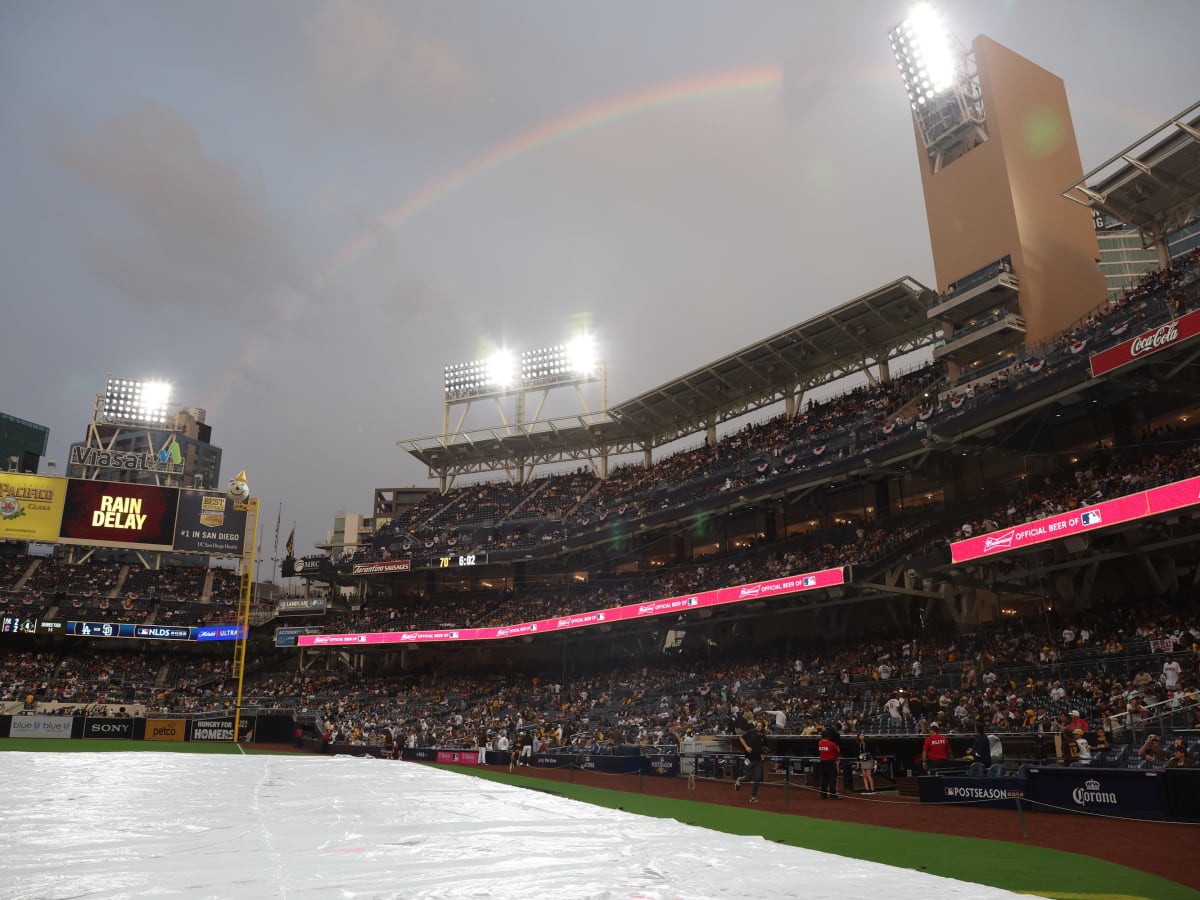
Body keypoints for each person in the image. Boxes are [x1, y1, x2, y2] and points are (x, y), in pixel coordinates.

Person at [734, 719, 766, 803]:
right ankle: (740, 780)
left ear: (763, 727)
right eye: (757, 725)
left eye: (760, 726)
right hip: (749, 759)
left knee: (758, 778)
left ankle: (753, 797)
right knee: (748, 778)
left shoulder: (764, 737)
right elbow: (741, 737)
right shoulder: (751, 732)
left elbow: (764, 747)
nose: (758, 727)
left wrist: (763, 752)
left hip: (758, 760)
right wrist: (746, 747)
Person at [818, 726, 842, 799]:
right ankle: (833, 795)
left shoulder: (820, 743)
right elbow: (838, 752)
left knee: (824, 779)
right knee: (832, 779)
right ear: (828, 736)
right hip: (831, 762)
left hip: (823, 762)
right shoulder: (832, 744)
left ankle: (823, 794)